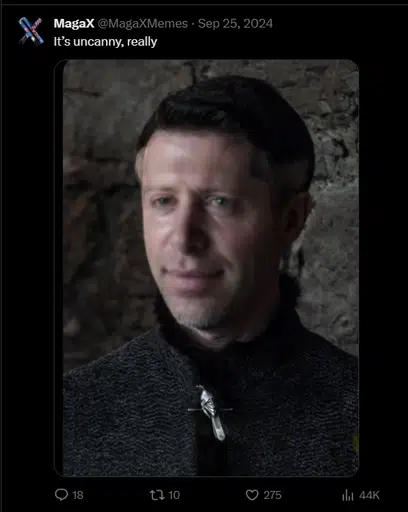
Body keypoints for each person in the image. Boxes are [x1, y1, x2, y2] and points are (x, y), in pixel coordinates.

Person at [62, 75, 358, 477]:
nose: (184, 239)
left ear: (290, 219)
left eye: (220, 202)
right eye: (163, 201)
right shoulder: (72, 413)